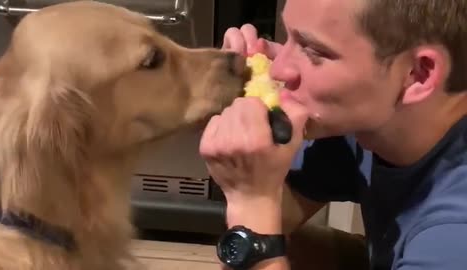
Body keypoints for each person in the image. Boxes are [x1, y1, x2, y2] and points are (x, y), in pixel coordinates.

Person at [199, 0, 467, 270]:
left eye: (313, 50)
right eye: (287, 37)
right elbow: (283, 215)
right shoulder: (370, 122)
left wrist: (251, 202)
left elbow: (254, 224)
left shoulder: (453, 237)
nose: (278, 68)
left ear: (418, 74)